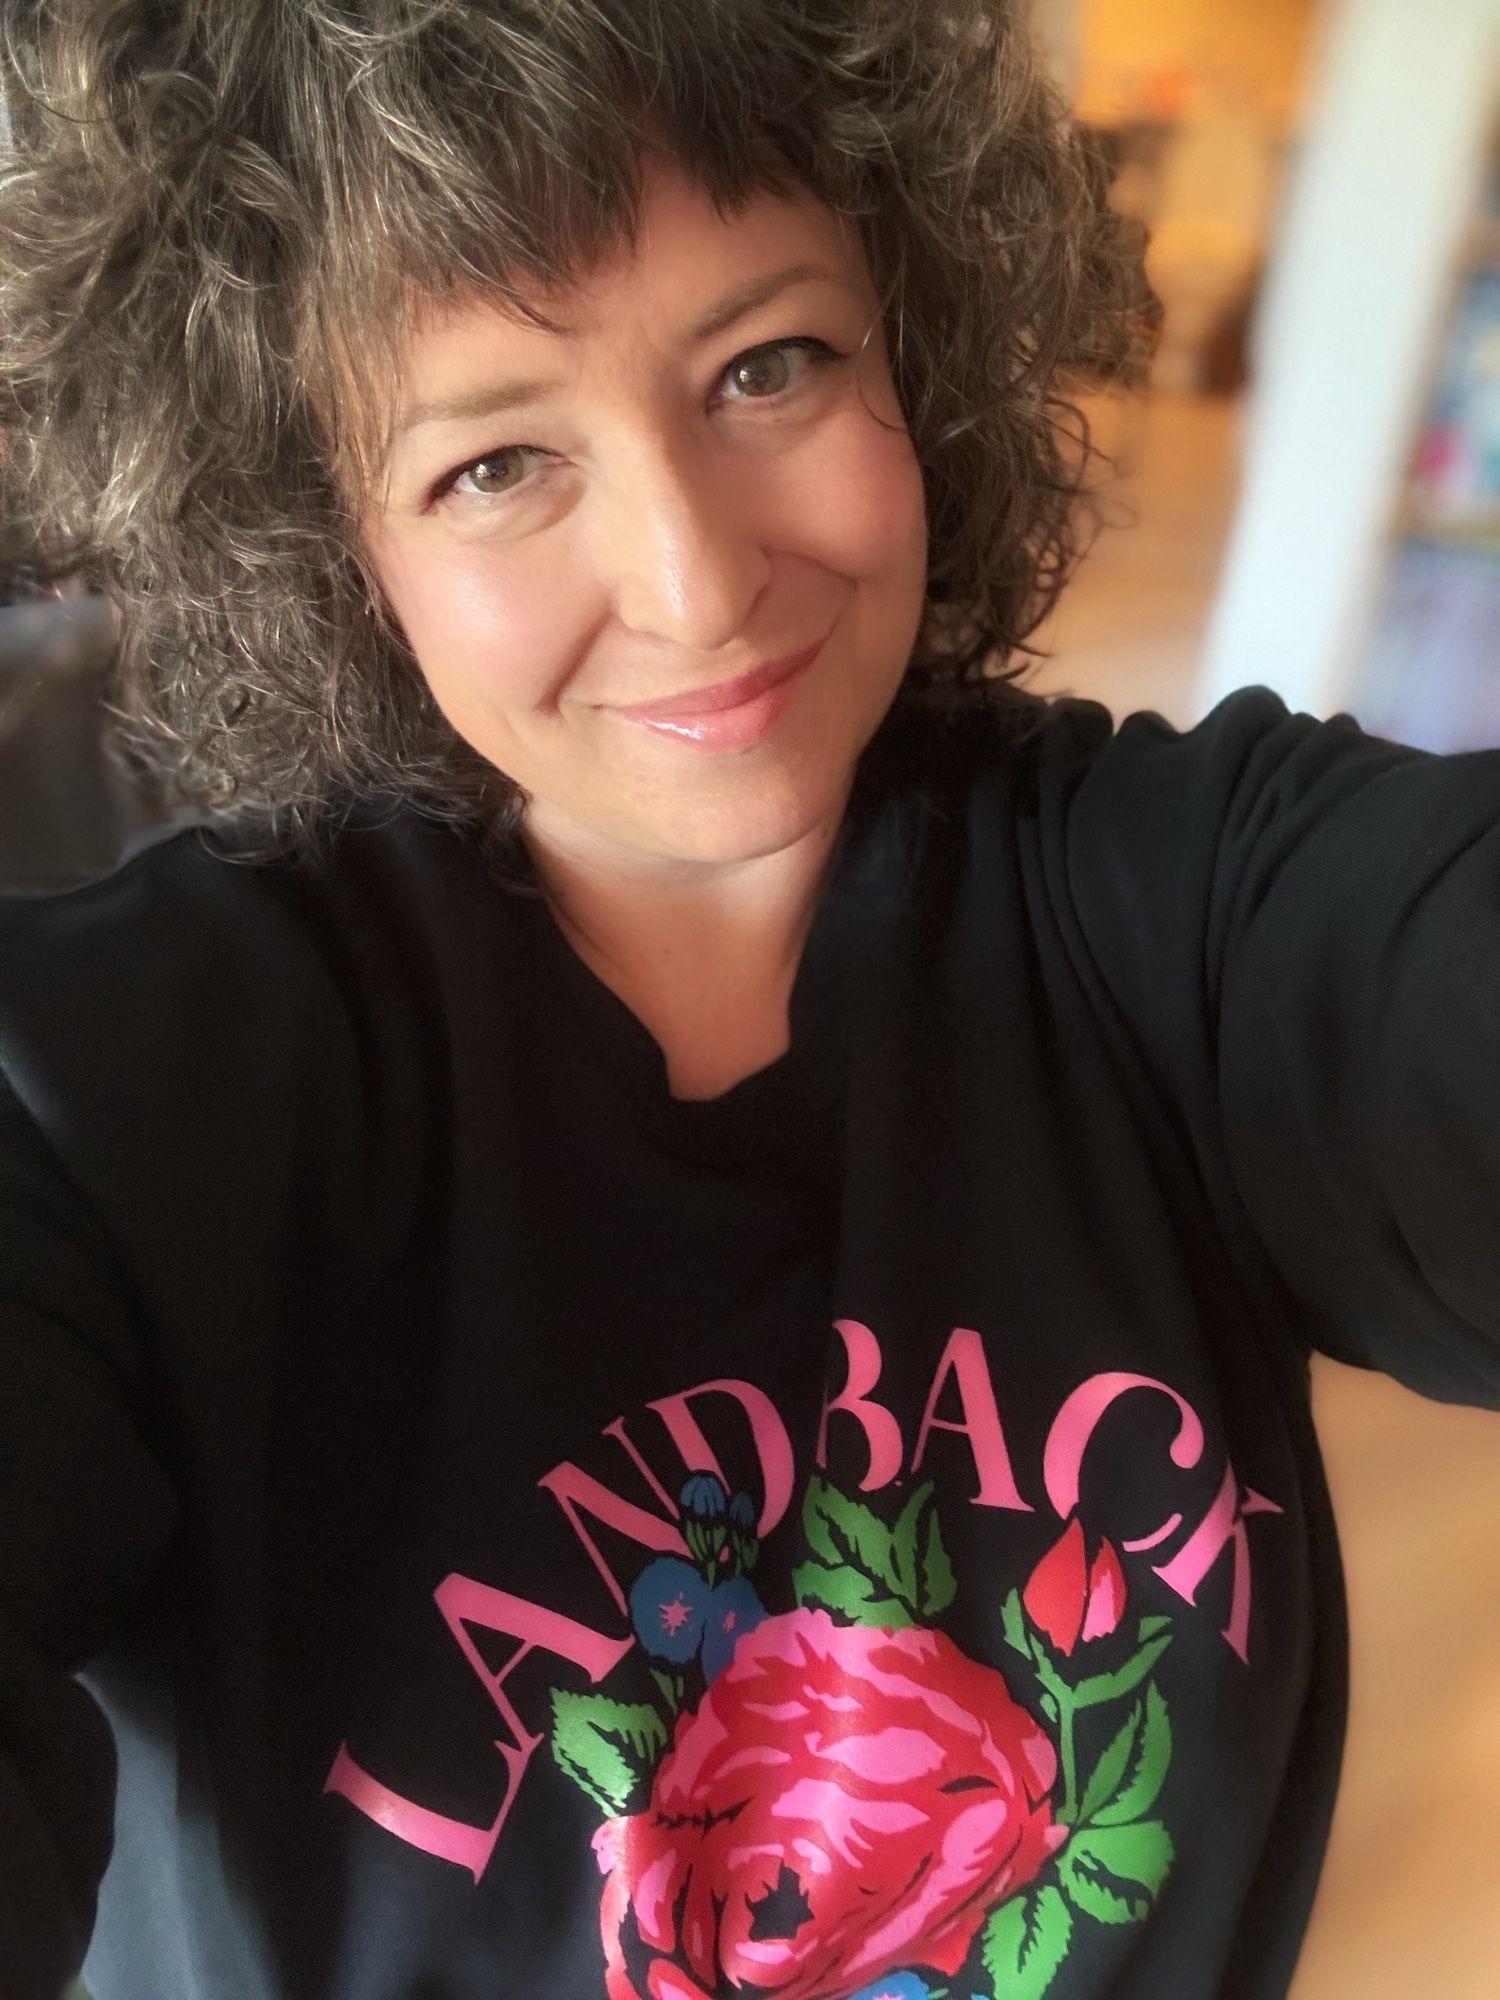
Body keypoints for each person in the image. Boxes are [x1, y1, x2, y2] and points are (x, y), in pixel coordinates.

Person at [0, 5, 1495, 2000]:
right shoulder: (125, 1104)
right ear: (330, 538)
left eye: (765, 364)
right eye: (499, 461)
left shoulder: (1195, 911)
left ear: (915, 342)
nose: (695, 580)